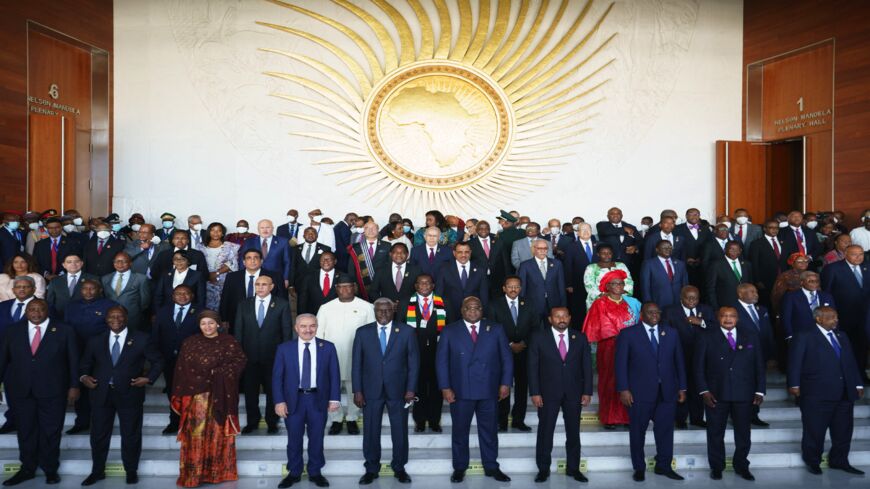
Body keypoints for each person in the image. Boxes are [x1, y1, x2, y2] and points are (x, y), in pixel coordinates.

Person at [78, 305, 163, 486]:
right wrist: (84, 377)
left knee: (131, 434)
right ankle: (97, 471)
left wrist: (148, 379)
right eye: (111, 316)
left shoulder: (141, 338)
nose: (115, 319)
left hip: (130, 393)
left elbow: (158, 361)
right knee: (99, 435)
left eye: (119, 316)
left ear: (126, 318)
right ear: (106, 319)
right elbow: (85, 363)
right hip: (101, 393)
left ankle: (131, 471)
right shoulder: (95, 340)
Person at [0, 299, 79, 486]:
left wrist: (74, 386)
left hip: (54, 390)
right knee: (26, 431)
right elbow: (2, 359)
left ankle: (50, 469)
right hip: (21, 390)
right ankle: (27, 468)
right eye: (32, 309)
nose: (36, 312)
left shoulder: (64, 330)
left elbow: (73, 360)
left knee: (51, 431)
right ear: (26, 311)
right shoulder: (12, 330)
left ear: (47, 311)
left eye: (40, 309)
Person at [436, 297, 513, 483]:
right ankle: (460, 467)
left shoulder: (495, 329)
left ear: (482, 310)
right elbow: (441, 362)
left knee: (489, 431)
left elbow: (506, 359)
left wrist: (505, 383)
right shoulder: (449, 330)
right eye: (468, 308)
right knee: (460, 431)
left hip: (489, 390)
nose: (473, 311)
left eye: (477, 308)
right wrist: (445, 387)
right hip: (460, 390)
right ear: (462, 310)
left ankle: (491, 466)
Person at [171, 310, 247, 487]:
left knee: (218, 434)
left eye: (211, 323)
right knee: (195, 435)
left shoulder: (229, 342)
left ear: (218, 324)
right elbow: (182, 369)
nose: (208, 326)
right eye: (204, 323)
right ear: (199, 325)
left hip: (220, 396)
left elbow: (239, 362)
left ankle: (218, 473)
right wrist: (204, 377)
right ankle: (194, 474)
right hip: (195, 398)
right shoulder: (190, 342)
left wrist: (218, 373)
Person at [788, 306, 865, 475]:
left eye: (836, 317)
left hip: (844, 392)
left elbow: (851, 361)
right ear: (819, 319)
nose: (835, 320)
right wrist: (794, 384)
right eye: (831, 317)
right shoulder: (804, 336)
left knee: (843, 431)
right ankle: (813, 461)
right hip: (816, 393)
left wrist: (858, 384)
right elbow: (795, 362)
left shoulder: (842, 336)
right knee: (815, 430)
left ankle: (840, 460)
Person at [615, 302, 687, 482]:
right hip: (639, 393)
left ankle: (663, 466)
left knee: (665, 432)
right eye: (650, 312)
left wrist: (682, 387)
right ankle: (639, 468)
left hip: (667, 391)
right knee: (638, 432)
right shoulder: (628, 334)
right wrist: (624, 389)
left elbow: (679, 362)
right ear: (642, 314)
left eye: (657, 311)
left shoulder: (671, 333)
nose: (654, 315)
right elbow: (620, 364)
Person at [694, 306, 766, 481]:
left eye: (732, 316)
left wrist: (760, 390)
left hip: (744, 393)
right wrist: (704, 391)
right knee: (715, 433)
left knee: (743, 433)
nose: (728, 319)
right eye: (724, 316)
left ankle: (741, 465)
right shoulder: (706, 336)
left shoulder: (750, 336)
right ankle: (717, 467)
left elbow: (759, 365)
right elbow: (698, 367)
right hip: (716, 394)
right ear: (718, 318)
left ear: (738, 318)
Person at [352, 299, 419, 484]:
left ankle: (399, 467)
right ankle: (371, 469)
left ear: (393, 311)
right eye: (379, 311)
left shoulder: (406, 331)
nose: (383, 314)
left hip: (399, 390)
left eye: (387, 311)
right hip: (370, 390)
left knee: (400, 430)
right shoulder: (363, 332)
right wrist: (357, 390)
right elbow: (356, 364)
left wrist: (411, 389)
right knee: (371, 430)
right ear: (374, 311)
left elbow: (414, 364)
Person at [273, 314, 340, 488]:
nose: (308, 330)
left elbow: (334, 375)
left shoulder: (328, 348)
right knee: (294, 439)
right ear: (296, 328)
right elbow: (277, 378)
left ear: (317, 327)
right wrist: (279, 401)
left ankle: (315, 472)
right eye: (303, 326)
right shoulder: (284, 348)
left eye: (312, 326)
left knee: (316, 438)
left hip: (318, 399)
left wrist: (334, 399)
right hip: (293, 400)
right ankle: (294, 473)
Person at [528, 307, 592, 483]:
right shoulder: (539, 338)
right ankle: (543, 469)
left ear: (570, 318)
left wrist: (587, 391)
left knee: (573, 433)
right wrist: (535, 392)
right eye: (557, 316)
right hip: (548, 393)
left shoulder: (579, 337)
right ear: (550, 319)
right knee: (545, 432)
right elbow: (532, 368)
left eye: (564, 316)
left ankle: (574, 469)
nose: (561, 319)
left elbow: (586, 367)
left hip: (574, 392)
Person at [316, 274, 374, 435]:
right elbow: (319, 335)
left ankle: (352, 418)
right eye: (341, 287)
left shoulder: (366, 307)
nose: (345, 290)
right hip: (331, 357)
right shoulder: (326, 307)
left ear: (354, 287)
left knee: (354, 388)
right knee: (331, 388)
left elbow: (371, 335)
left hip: (356, 356)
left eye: (348, 286)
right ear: (336, 289)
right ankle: (336, 419)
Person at [582, 269, 640, 428]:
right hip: (609, 347)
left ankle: (627, 417)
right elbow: (602, 325)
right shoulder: (600, 303)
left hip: (630, 347)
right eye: (614, 283)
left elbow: (638, 322)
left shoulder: (630, 303)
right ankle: (609, 418)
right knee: (609, 382)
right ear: (607, 286)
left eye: (621, 283)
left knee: (629, 381)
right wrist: (621, 337)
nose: (619, 286)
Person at [234, 275, 292, 434]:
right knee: (250, 391)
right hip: (248, 357)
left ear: (272, 287)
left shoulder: (282, 304)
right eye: (257, 284)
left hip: (274, 358)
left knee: (273, 391)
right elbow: (238, 331)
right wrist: (239, 355)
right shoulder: (244, 304)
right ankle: (252, 421)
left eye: (264, 284)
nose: (260, 287)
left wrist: (285, 357)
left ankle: (272, 422)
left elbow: (287, 333)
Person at [485, 276, 537, 432]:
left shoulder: (529, 304)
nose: (513, 289)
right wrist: (508, 345)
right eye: (510, 286)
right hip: (502, 353)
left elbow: (535, 328)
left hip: (524, 352)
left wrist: (523, 343)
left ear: (520, 288)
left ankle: (518, 420)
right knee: (503, 386)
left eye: (516, 287)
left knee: (522, 387)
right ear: (504, 288)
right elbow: (491, 329)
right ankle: (501, 420)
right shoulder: (494, 305)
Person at [396, 274, 447, 432]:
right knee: (417, 386)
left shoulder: (444, 302)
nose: (424, 285)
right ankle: (419, 420)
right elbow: (400, 328)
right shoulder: (405, 303)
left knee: (435, 388)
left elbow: (451, 326)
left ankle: (434, 420)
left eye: (428, 283)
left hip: (437, 352)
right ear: (416, 286)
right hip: (414, 353)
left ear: (433, 286)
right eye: (421, 283)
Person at [150, 285, 200, 435]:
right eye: (178, 293)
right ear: (173, 296)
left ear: (192, 296)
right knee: (172, 392)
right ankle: (175, 421)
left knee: (192, 392)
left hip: (192, 362)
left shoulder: (200, 312)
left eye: (186, 293)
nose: (182, 296)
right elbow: (156, 336)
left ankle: (191, 421)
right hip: (169, 360)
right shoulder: (163, 311)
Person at [663, 285, 714, 429]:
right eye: (688, 297)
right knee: (681, 386)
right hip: (679, 355)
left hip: (702, 357)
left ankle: (697, 418)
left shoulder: (706, 310)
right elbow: (665, 333)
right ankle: (680, 418)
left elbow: (716, 328)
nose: (692, 300)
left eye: (695, 298)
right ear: (681, 297)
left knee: (699, 385)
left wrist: (701, 322)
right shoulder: (670, 311)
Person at [820, 245, 870, 381]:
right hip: (842, 315)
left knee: (862, 346)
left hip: (865, 316)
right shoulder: (833, 269)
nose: (859, 257)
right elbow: (826, 293)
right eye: (854, 254)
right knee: (845, 346)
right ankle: (844, 375)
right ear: (845, 254)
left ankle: (860, 374)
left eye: (861, 254)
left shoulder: (867, 267)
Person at [0, 276, 39, 434]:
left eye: (26, 286)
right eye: (18, 287)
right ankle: (13, 420)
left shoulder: (44, 307)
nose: (22, 289)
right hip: (7, 359)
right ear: (13, 290)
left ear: (34, 289)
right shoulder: (2, 307)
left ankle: (32, 422)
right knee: (11, 391)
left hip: (34, 359)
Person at [219, 248, 286, 332]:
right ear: (244, 262)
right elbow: (225, 298)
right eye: (249, 258)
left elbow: (282, 298)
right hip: (237, 319)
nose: (252, 260)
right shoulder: (232, 277)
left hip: (267, 319)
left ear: (261, 261)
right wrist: (224, 319)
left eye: (256, 258)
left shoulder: (275, 276)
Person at [435, 241, 489, 323]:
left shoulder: (480, 269)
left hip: (473, 314)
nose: (463, 255)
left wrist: (483, 314)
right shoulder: (444, 269)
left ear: (470, 252)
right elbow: (439, 293)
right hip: (450, 313)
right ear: (454, 253)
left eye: (466, 252)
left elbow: (484, 294)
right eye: (460, 252)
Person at [517, 239, 566, 320]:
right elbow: (522, 288)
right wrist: (522, 306)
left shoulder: (557, 264)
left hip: (554, 304)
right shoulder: (525, 265)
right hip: (533, 304)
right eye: (540, 248)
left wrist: (563, 305)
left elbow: (561, 286)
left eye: (545, 248)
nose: (543, 251)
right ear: (534, 249)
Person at [102, 252, 152, 331]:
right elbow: (105, 298)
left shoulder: (141, 278)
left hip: (132, 318)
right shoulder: (105, 278)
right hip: (112, 319)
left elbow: (145, 301)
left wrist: (134, 311)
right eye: (117, 261)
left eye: (124, 261)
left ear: (130, 263)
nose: (120, 264)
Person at [560, 222, 598, 327]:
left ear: (592, 231)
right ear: (578, 233)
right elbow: (567, 266)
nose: (586, 232)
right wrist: (569, 284)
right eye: (583, 230)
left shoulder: (599, 245)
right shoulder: (571, 247)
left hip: (598, 285)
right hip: (578, 284)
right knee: (579, 310)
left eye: (588, 229)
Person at [780, 271, 836, 340]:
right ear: (802, 282)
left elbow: (833, 316)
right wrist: (789, 336)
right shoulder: (791, 297)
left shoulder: (826, 296)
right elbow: (786, 318)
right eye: (810, 281)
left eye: (816, 281)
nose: (814, 283)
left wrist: (835, 332)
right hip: (801, 336)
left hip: (824, 335)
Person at [239, 219, 292, 288]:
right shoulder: (249, 242)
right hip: (255, 278)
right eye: (262, 228)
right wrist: (241, 276)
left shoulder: (283, 242)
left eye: (268, 227)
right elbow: (242, 260)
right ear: (258, 229)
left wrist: (286, 278)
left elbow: (287, 262)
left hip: (276, 278)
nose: (265, 230)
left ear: (272, 228)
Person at [347, 221, 391, 300]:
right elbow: (351, 269)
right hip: (362, 286)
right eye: (367, 228)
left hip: (382, 285)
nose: (371, 230)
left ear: (378, 230)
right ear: (364, 230)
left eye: (373, 228)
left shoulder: (387, 246)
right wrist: (353, 284)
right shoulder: (355, 248)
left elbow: (390, 265)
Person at [748, 220, 786, 309]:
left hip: (783, 279)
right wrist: (758, 281)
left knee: (782, 304)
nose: (774, 230)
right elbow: (754, 263)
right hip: (766, 281)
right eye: (771, 228)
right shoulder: (756, 244)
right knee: (767, 305)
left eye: (776, 228)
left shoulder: (783, 241)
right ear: (765, 229)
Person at [201, 222, 239, 310]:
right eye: (213, 230)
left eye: (219, 231)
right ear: (208, 232)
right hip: (205, 281)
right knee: (207, 307)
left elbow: (233, 263)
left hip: (224, 281)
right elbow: (198, 264)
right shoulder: (200, 246)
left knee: (224, 306)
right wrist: (208, 275)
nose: (215, 233)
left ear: (222, 233)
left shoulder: (230, 246)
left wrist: (216, 273)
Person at [640, 240, 688, 309]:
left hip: (678, 304)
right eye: (664, 248)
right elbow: (645, 287)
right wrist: (648, 304)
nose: (668, 250)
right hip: (658, 304)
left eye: (669, 247)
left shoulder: (680, 264)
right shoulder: (648, 264)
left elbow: (685, 285)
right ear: (657, 250)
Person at [583, 244, 634, 308]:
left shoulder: (621, 265)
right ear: (598, 254)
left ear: (612, 254)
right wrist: (607, 295)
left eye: (609, 253)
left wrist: (618, 294)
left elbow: (629, 281)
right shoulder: (591, 268)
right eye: (603, 253)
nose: (607, 255)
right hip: (599, 301)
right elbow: (589, 286)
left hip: (621, 299)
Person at [706, 241, 753, 310]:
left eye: (737, 250)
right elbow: (710, 289)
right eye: (731, 249)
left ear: (740, 251)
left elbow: (750, 284)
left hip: (744, 304)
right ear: (725, 250)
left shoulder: (746, 264)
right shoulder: (716, 265)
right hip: (725, 306)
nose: (734, 252)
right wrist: (715, 308)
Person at [290, 227, 330, 302]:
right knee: (301, 307)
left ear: (317, 235)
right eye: (308, 233)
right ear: (304, 236)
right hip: (300, 283)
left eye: (313, 233)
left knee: (317, 305)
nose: (310, 235)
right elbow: (292, 267)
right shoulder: (295, 249)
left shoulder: (326, 249)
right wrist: (291, 285)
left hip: (318, 282)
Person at [675, 208, 711, 288]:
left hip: (701, 265)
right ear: (686, 216)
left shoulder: (705, 229)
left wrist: (701, 258)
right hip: (683, 264)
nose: (694, 216)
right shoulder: (677, 229)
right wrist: (686, 258)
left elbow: (709, 246)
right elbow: (675, 248)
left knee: (701, 288)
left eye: (696, 214)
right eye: (691, 214)